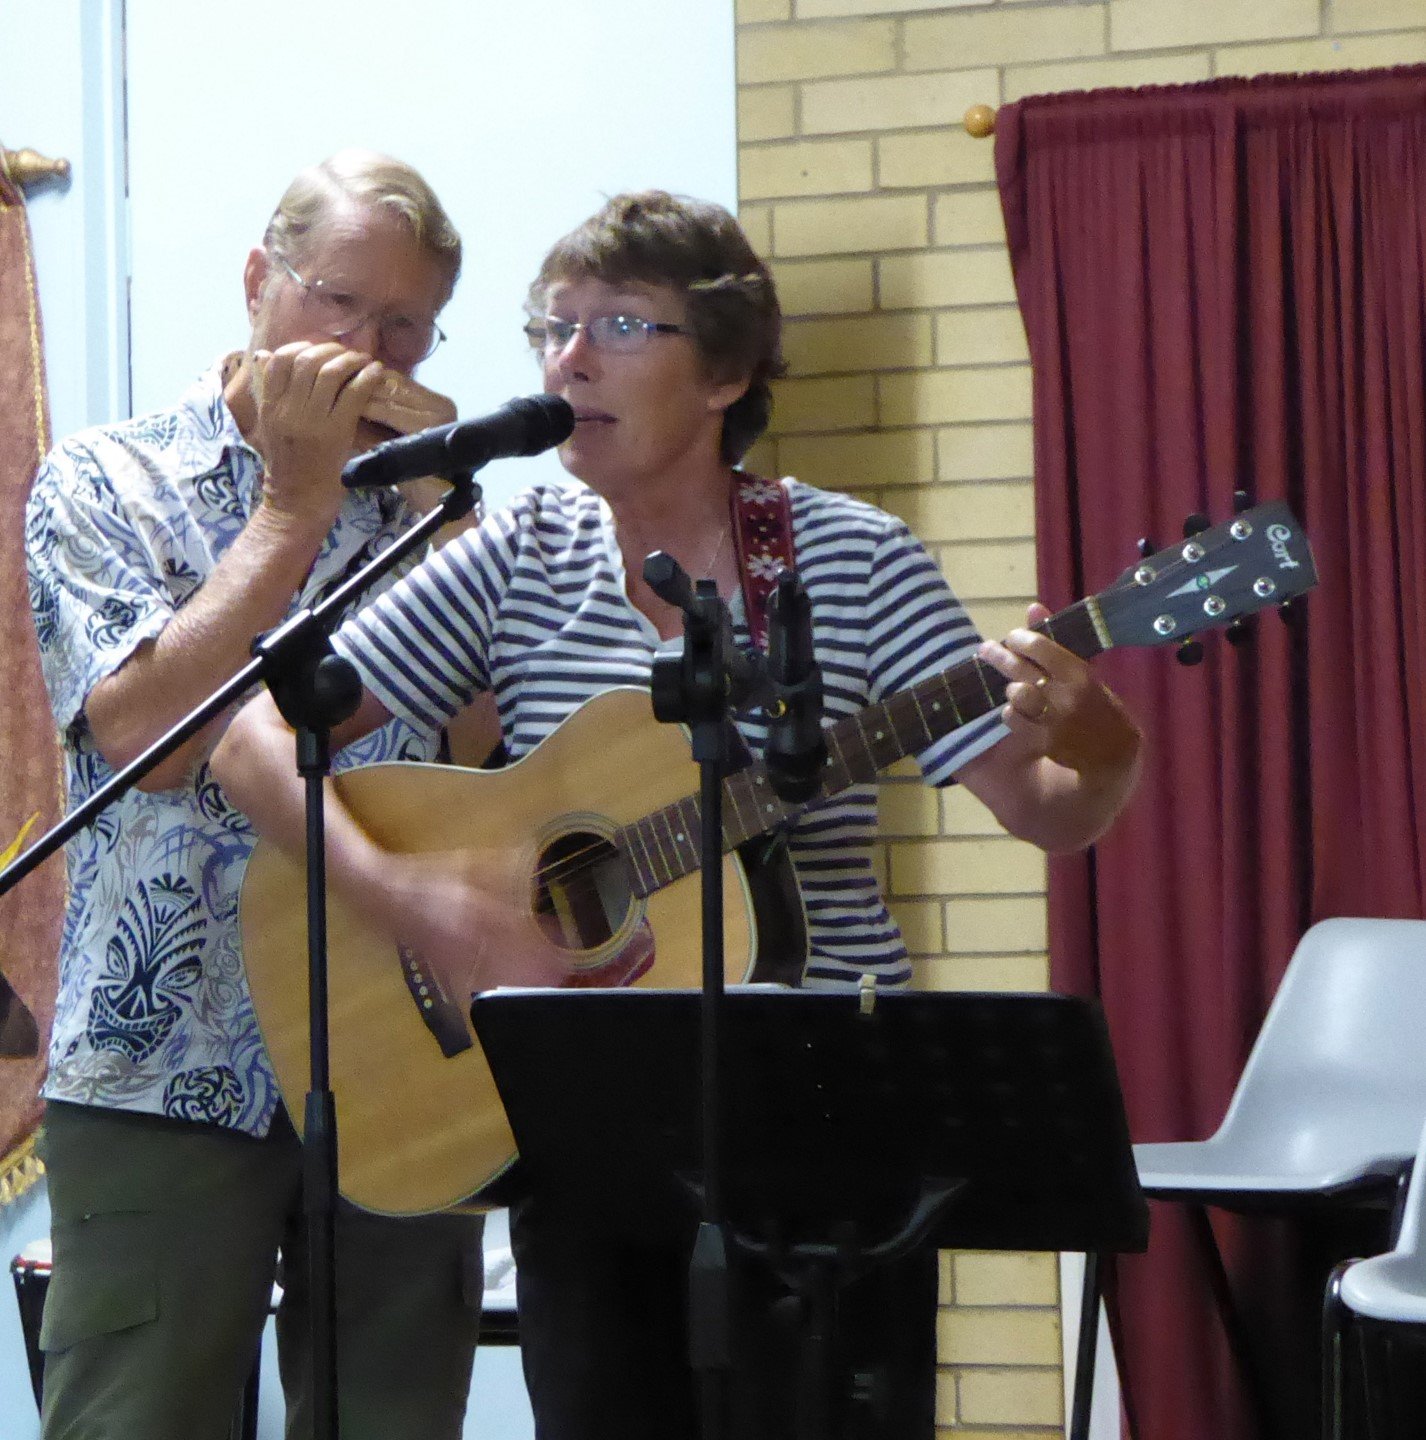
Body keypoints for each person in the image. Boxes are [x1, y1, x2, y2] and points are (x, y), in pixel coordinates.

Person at [211, 190, 1143, 1439]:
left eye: (621, 329)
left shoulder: (852, 561)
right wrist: (413, 901)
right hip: (586, 1119)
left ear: (728, 377)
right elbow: (249, 738)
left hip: (825, 1120)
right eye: (556, 326)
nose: (569, 360)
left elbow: (1048, 813)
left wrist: (1100, 732)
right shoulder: (514, 551)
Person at [25, 150, 499, 1440]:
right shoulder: (102, 481)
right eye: (341, 303)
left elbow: (488, 762)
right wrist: (294, 505)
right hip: (162, 1056)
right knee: (138, 1418)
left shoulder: (434, 500)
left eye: (406, 323)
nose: (368, 346)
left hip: (399, 1045)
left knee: (396, 1419)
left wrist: (445, 528)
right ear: (256, 283)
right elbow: (145, 737)